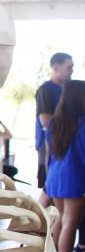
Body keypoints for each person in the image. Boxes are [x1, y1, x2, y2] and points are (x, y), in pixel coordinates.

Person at [45, 80, 85, 252]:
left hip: (55, 176)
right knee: (70, 222)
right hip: (74, 177)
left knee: (61, 219)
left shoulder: (54, 121)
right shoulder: (83, 123)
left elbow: (48, 154)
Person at [36, 52, 73, 190]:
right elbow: (45, 120)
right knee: (49, 188)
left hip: (69, 146)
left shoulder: (70, 90)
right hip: (50, 145)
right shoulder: (45, 90)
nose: (72, 71)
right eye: (69, 67)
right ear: (56, 67)